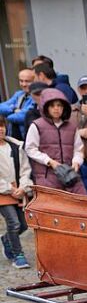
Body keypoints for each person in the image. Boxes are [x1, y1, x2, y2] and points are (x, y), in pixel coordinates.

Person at [24, 88, 85, 194]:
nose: (56, 109)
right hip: (47, 178)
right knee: (54, 209)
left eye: (59, 105)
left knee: (81, 205)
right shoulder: (37, 125)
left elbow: (78, 149)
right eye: (52, 106)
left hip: (70, 176)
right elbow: (30, 149)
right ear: (46, 107)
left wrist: (76, 162)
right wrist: (49, 161)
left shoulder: (72, 126)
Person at [0, 114, 32, 269]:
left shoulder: (16, 146)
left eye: (2, 126)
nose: (0, 129)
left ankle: (7, 240)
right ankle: (18, 255)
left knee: (24, 225)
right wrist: (9, 188)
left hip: (19, 191)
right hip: (3, 194)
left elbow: (26, 170)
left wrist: (23, 187)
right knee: (14, 223)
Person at [0, 69, 36, 140]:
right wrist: (14, 110)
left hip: (28, 138)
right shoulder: (19, 94)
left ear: (34, 81)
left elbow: (24, 117)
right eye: (21, 81)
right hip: (13, 136)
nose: (24, 84)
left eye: (27, 81)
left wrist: (7, 114)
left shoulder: (36, 97)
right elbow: (1, 107)